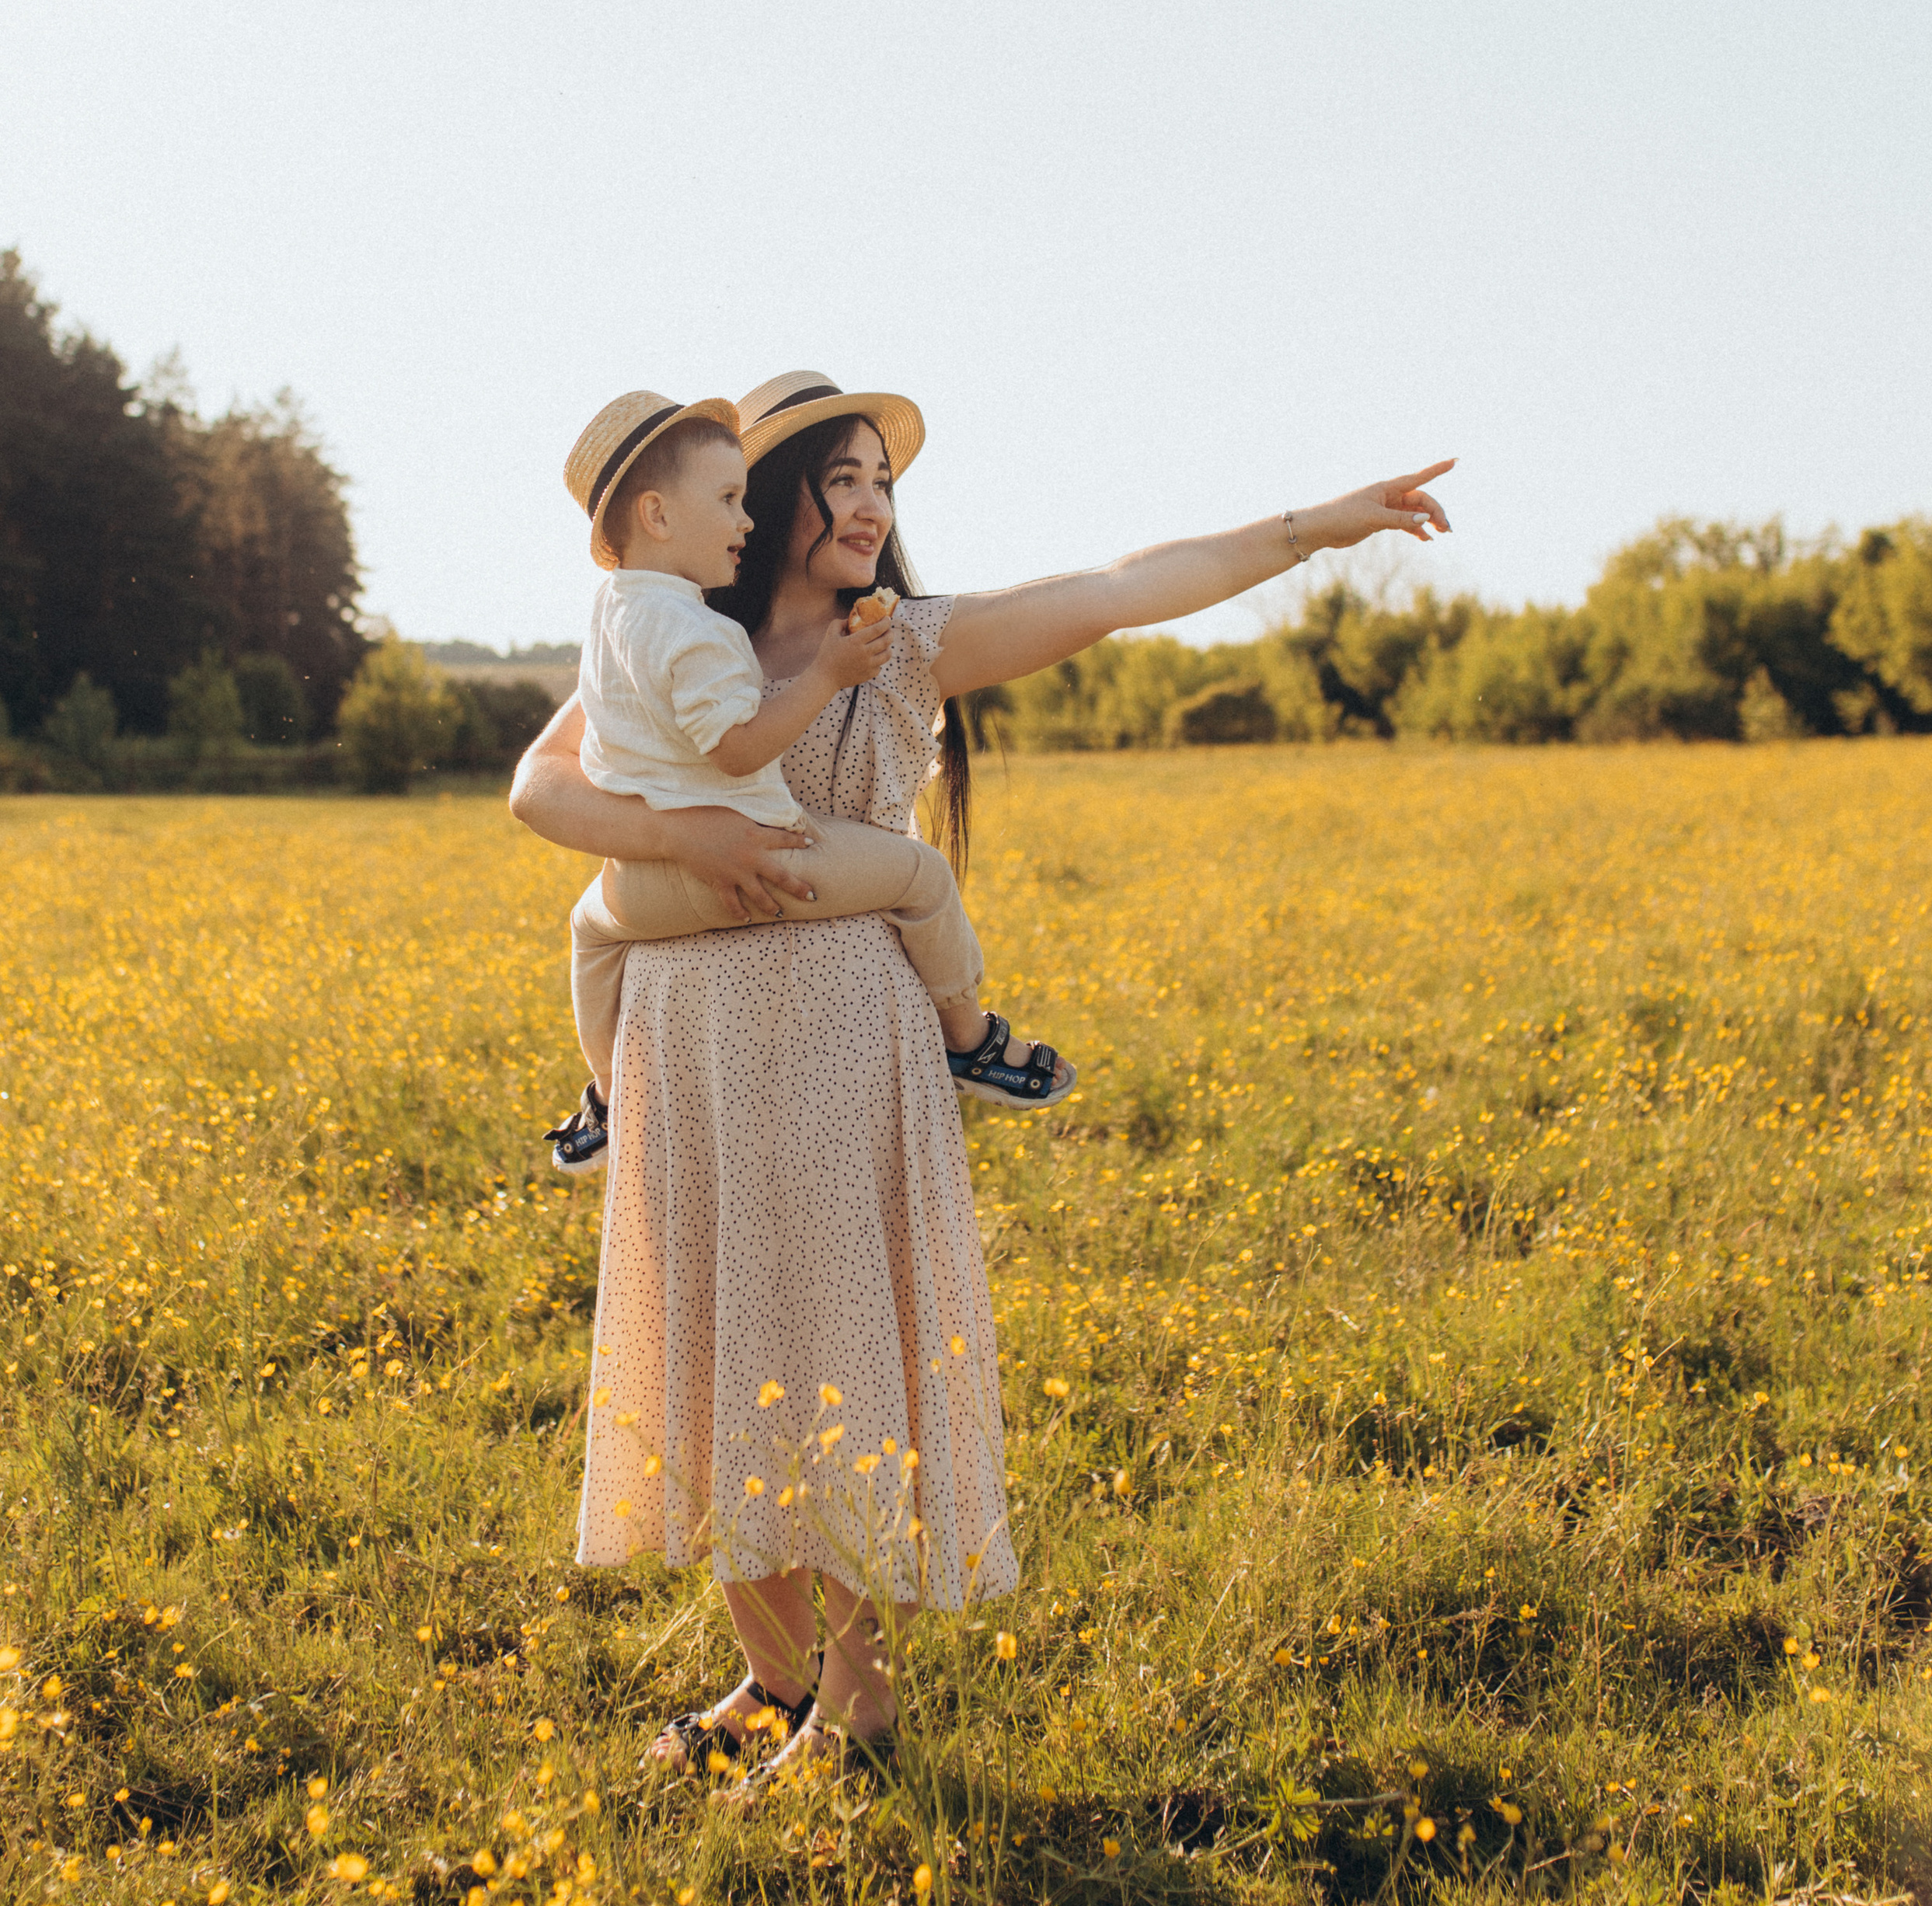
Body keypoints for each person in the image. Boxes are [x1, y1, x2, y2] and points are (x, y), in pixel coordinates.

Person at [509, 368, 1452, 1780]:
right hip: (686, 1045)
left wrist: (1314, 526)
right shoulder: (670, 634)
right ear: (756, 500)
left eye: (883, 484)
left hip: (839, 1043)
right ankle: (768, 1684)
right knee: (711, 1351)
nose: (873, 505)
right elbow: (538, 788)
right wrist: (690, 846)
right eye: (843, 477)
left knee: (837, 1362)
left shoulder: (895, 645)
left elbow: (1122, 587)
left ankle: (859, 1705)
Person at [542, 385, 1073, 1178]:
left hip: (646, 885)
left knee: (589, 931)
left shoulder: (609, 619)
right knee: (920, 874)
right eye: (729, 500)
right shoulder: (705, 635)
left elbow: (564, 767)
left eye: (881, 482)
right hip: (769, 857)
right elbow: (737, 748)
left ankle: (607, 1101)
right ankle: (971, 1041)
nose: (744, 520)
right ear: (658, 515)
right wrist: (825, 674)